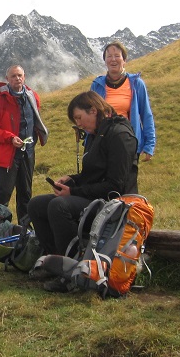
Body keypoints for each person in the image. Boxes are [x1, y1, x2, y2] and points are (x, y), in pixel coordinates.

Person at [27, 91, 139, 261]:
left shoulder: (119, 135)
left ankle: (72, 264)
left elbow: (115, 186)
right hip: (96, 199)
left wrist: (73, 192)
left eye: (79, 118)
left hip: (114, 206)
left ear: (93, 110)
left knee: (59, 206)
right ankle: (53, 258)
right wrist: (72, 180)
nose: (78, 124)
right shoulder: (96, 135)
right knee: (36, 204)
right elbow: (94, 174)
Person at [0, 65, 49, 223]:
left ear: (24, 76)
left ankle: (25, 230)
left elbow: (36, 120)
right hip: (7, 156)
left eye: (20, 75)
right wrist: (10, 138)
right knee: (2, 193)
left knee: (26, 193)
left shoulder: (32, 97)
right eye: (13, 76)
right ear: (7, 79)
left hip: (28, 152)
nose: (17, 78)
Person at [90, 41, 156, 161]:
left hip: (128, 142)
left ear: (124, 60)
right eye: (109, 56)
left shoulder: (136, 84)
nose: (113, 59)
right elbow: (90, 115)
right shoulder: (97, 85)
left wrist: (149, 145)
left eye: (117, 56)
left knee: (124, 178)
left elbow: (146, 115)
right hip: (101, 142)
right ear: (105, 61)